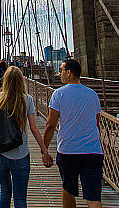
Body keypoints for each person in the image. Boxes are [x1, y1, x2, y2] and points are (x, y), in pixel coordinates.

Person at [0, 66, 53, 208]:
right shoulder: (27, 99)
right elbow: (34, 128)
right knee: (20, 199)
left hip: (0, 153)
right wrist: (45, 151)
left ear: (5, 81)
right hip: (21, 154)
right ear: (21, 81)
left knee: (5, 191)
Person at [42, 58, 103, 208]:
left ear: (68, 73)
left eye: (61, 70)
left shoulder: (58, 94)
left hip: (69, 151)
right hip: (93, 151)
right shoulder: (93, 94)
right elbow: (96, 122)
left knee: (68, 189)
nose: (59, 74)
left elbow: (50, 125)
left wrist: (44, 150)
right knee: (94, 196)